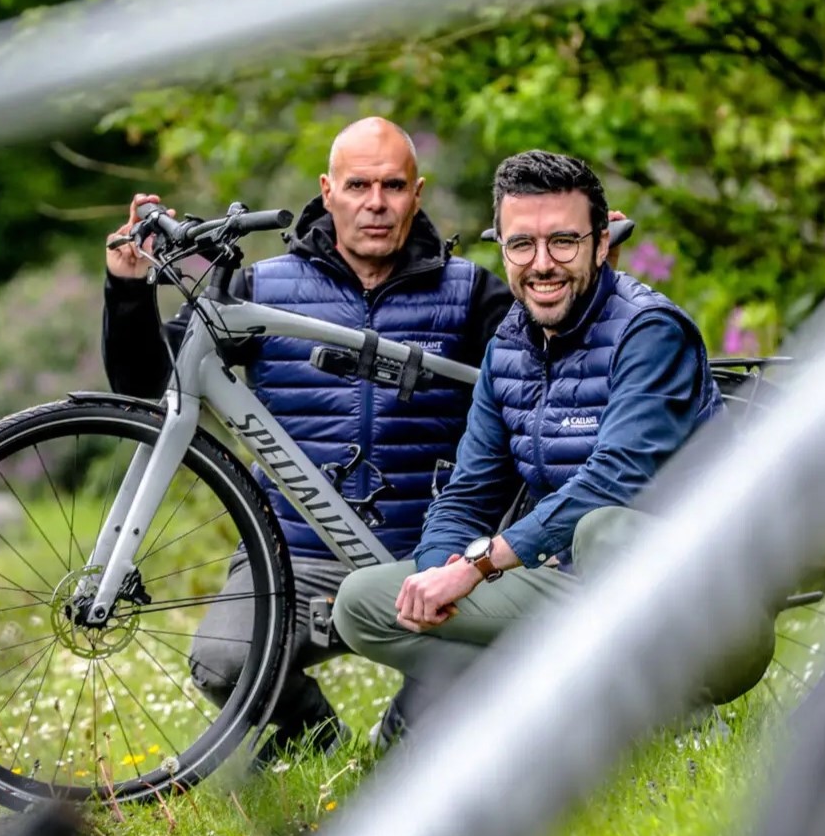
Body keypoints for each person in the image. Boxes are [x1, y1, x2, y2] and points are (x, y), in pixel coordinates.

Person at [102, 117, 515, 751]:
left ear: (418, 192)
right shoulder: (260, 289)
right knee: (224, 663)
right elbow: (149, 386)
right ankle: (318, 740)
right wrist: (129, 290)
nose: (375, 204)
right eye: (357, 185)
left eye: (393, 186)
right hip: (294, 556)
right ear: (327, 191)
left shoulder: (469, 293)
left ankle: (400, 730)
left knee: (441, 727)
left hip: (426, 561)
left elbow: (551, 375)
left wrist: (594, 277)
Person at [334, 149, 755, 737]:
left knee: (601, 529)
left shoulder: (651, 332)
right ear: (502, 247)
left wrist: (481, 564)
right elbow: (467, 495)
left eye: (563, 242)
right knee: (363, 603)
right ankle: (551, 709)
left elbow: (614, 481)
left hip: (711, 603)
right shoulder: (508, 346)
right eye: (521, 245)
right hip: (575, 588)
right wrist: (440, 577)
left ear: (601, 243)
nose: (542, 264)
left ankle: (678, 715)